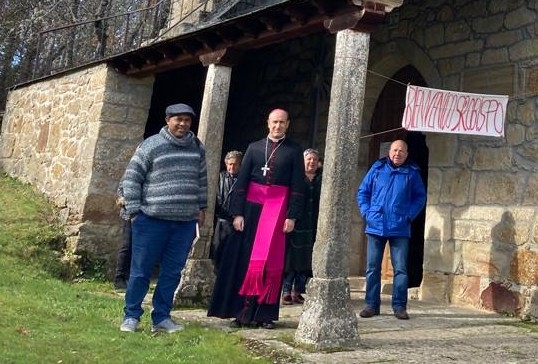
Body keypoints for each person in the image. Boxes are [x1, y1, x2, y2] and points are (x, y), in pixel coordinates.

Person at [207, 108, 305, 329]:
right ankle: (240, 313)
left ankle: (264, 315)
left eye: (282, 122)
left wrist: (292, 216)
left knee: (271, 264)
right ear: (267, 123)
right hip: (250, 213)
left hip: (277, 212)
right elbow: (241, 183)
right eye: (274, 122)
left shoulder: (294, 150)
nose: (277, 126)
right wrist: (237, 213)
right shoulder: (254, 147)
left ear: (287, 124)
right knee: (244, 261)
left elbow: (298, 187)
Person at [119, 103, 207, 333]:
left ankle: (161, 317)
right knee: (140, 271)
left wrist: (201, 207)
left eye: (187, 120)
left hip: (184, 223)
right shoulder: (151, 145)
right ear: (167, 120)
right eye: (178, 119)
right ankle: (131, 316)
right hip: (150, 220)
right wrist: (135, 211)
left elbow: (202, 180)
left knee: (171, 273)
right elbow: (131, 179)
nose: (183, 124)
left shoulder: (197, 147)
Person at [357, 139, 426, 320]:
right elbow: (363, 192)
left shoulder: (412, 173)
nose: (398, 154)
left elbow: (420, 197)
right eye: (395, 150)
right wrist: (366, 212)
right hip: (375, 225)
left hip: (399, 227)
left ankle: (399, 306)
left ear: (406, 154)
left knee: (401, 269)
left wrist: (409, 215)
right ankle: (371, 305)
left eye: (401, 151)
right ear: (389, 151)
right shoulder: (377, 169)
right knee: (372, 268)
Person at [281, 148, 322, 305]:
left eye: (314, 160)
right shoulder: (296, 178)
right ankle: (286, 290)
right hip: (296, 223)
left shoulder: (321, 180)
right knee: (291, 259)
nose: (311, 162)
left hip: (313, 225)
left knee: (306, 260)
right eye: (308, 159)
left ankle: (298, 290)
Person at [210, 150, 243, 272]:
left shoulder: (244, 179)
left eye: (235, 164)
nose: (232, 167)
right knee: (217, 249)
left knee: (233, 252)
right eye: (229, 164)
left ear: (240, 165)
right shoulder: (219, 177)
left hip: (237, 221)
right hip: (221, 220)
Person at [113, 181, 132, 290]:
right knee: (127, 246)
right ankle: (119, 279)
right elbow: (121, 187)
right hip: (129, 214)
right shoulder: (134, 167)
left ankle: (129, 278)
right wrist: (123, 200)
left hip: (145, 215)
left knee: (137, 249)